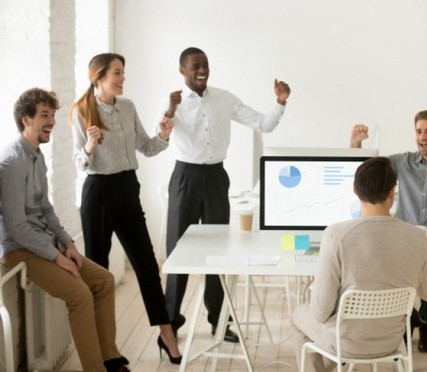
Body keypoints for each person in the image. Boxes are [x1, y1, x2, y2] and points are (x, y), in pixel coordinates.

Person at [158, 46, 291, 342]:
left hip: (216, 177)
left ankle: (219, 322)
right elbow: (160, 136)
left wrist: (280, 103)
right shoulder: (173, 103)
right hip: (185, 177)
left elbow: (262, 123)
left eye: (205, 64)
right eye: (195, 65)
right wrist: (169, 111)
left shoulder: (224, 98)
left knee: (219, 252)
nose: (202, 69)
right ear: (183, 71)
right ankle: (170, 325)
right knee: (179, 253)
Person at [0, 88, 130, 372]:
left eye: (53, 115)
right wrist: (57, 257)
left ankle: (110, 359)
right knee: (80, 295)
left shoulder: (37, 155)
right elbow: (16, 226)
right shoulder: (10, 163)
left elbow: (45, 207)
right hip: (20, 250)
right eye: (44, 115)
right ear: (26, 120)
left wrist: (68, 243)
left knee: (104, 280)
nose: (52, 121)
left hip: (45, 242)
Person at [70, 53, 181, 364]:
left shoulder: (128, 106)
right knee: (100, 272)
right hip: (98, 194)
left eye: (123, 73)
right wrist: (90, 146)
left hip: (128, 190)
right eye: (117, 73)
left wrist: (164, 135)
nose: (122, 78)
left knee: (147, 265)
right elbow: (79, 163)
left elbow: (146, 147)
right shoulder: (81, 111)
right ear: (99, 77)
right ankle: (105, 350)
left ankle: (167, 335)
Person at [290, 157, 427, 372]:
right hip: (391, 341)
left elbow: (320, 311)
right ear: (393, 192)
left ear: (354, 189)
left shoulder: (336, 235)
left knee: (299, 315)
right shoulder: (417, 237)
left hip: (345, 341)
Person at [350, 109, 427, 352]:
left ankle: (425, 322)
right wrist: (356, 144)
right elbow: (368, 171)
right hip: (402, 236)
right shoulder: (401, 162)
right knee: (396, 283)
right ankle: (407, 318)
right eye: (419, 131)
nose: (423, 137)